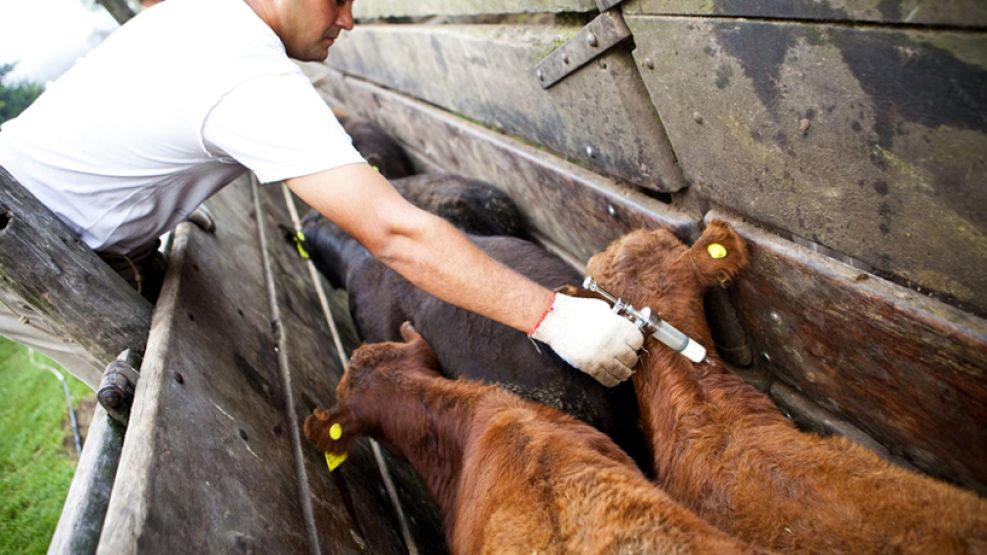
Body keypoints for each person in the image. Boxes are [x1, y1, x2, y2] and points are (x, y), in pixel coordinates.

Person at [0, 0, 644, 390]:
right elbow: (392, 232)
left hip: (37, 194)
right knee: (137, 389)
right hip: (25, 246)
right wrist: (554, 318)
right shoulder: (241, 72)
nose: (350, 19)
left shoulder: (201, 19)